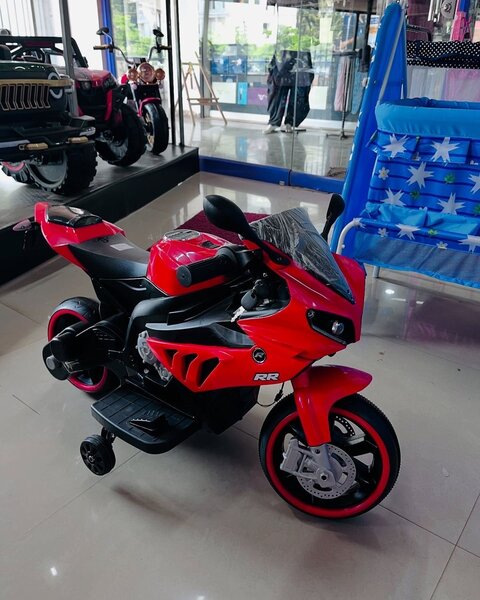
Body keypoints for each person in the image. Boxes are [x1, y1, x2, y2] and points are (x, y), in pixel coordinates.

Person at [264, 50, 313, 134]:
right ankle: (274, 122)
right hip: (283, 53)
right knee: (277, 91)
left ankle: (290, 122)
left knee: (298, 94)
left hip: (300, 52)